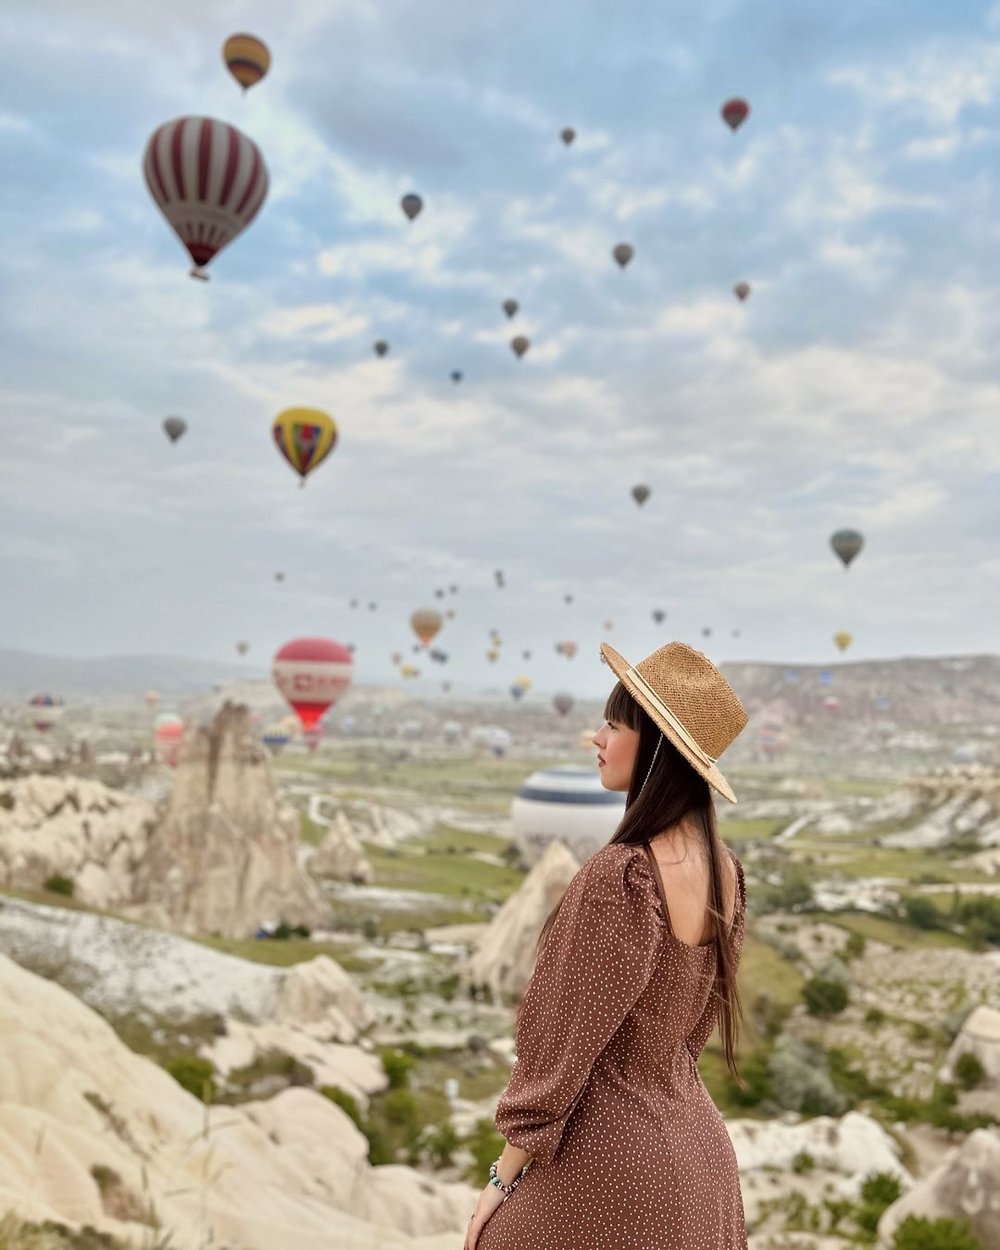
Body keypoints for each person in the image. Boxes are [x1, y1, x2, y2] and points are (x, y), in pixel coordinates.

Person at [466, 640, 750, 1250]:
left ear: (658, 750)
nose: (595, 737)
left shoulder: (623, 874)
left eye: (614, 724)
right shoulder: (726, 871)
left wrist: (502, 1178)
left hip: (610, 1163)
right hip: (701, 1162)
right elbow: (689, 1032)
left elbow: (563, 1044)